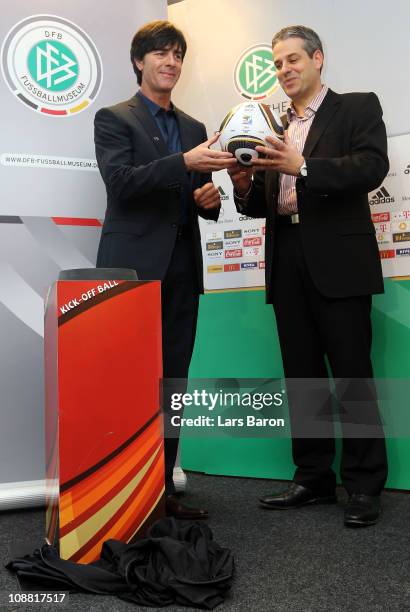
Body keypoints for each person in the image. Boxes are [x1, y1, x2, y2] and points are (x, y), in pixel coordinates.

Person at [228, 25, 388, 527]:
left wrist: (306, 166)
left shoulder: (357, 106)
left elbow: (370, 167)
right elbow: (264, 205)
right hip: (288, 256)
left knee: (352, 378)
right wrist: (243, 186)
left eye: (293, 59)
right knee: (302, 377)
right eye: (277, 64)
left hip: (339, 261)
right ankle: (314, 478)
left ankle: (363, 487)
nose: (284, 70)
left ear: (318, 58)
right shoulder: (270, 124)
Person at [94, 20, 236, 520]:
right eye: (160, 53)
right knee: (127, 380)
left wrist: (209, 200)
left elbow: (195, 201)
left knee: (174, 378)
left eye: (177, 54)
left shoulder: (195, 128)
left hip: (182, 269)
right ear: (139, 61)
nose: (170, 62)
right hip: (131, 270)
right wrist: (184, 163)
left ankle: (162, 490)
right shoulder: (114, 118)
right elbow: (122, 184)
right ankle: (119, 491)